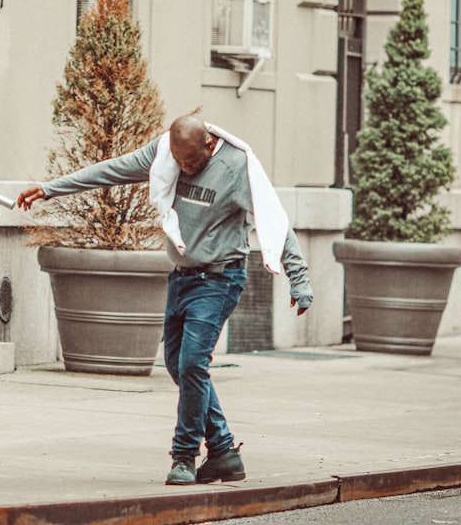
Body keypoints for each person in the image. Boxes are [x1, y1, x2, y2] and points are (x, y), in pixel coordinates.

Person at [17, 115, 313, 486]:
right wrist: (49, 189)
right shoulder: (166, 154)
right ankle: (223, 452)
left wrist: (299, 282)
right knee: (178, 364)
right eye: (180, 162)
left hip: (220, 278)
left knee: (192, 362)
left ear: (208, 145)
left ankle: (184, 457)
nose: (184, 169)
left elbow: (276, 223)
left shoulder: (237, 166)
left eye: (192, 162)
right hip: (181, 277)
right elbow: (113, 170)